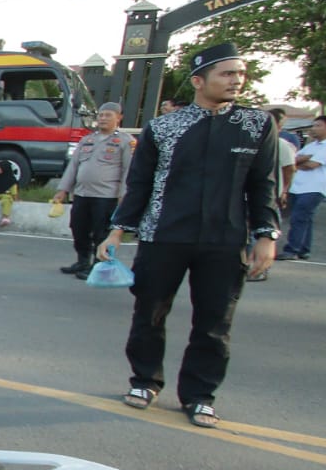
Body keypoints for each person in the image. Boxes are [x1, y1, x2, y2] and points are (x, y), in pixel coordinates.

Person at [100, 42, 280, 429]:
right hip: (163, 236)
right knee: (149, 313)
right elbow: (140, 184)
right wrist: (117, 231)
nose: (236, 80)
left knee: (215, 322)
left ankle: (200, 395)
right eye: (227, 73)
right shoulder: (164, 128)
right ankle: (145, 381)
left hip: (224, 240)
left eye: (240, 74)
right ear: (199, 81)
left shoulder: (256, 124)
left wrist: (265, 234)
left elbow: (262, 185)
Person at [53, 101, 133, 278]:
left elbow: (129, 170)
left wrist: (123, 194)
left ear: (119, 118)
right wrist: (63, 189)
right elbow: (73, 166)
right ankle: (82, 261)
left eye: (108, 115)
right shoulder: (87, 139)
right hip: (82, 194)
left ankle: (98, 266)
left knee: (101, 232)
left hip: (106, 197)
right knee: (78, 227)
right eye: (101, 115)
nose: (103, 118)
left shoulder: (125, 141)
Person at [277, 115, 326, 262]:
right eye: (313, 125)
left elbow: (312, 165)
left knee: (299, 217)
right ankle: (304, 249)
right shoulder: (311, 146)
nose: (313, 128)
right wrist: (303, 159)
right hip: (298, 188)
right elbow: (292, 160)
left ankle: (292, 250)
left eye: (318, 125)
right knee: (306, 219)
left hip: (314, 188)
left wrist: (299, 162)